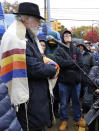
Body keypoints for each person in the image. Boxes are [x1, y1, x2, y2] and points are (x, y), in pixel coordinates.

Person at [0, 2, 59, 130]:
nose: (39, 24)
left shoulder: (29, 36)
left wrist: (49, 64)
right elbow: (30, 67)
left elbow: (39, 60)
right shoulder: (15, 37)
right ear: (26, 19)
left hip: (35, 96)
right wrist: (51, 69)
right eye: (37, 20)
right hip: (28, 100)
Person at [55, 29, 85, 131]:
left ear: (71, 37)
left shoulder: (77, 50)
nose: (67, 36)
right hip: (63, 82)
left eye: (69, 34)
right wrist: (73, 62)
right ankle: (64, 120)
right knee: (63, 103)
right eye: (65, 35)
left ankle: (77, 119)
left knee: (76, 102)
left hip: (76, 82)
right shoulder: (59, 50)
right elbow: (60, 63)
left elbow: (80, 64)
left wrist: (67, 63)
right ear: (62, 37)